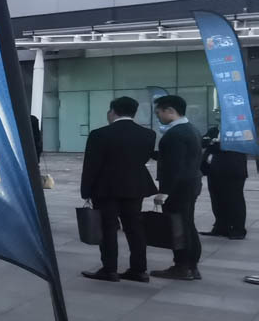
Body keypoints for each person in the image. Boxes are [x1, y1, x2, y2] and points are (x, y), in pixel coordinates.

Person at [79, 96, 157, 282]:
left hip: (106, 188)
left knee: (108, 228)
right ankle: (139, 269)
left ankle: (110, 269)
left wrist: (86, 190)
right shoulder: (148, 134)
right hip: (135, 186)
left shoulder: (100, 134)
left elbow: (91, 165)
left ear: (112, 111)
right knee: (134, 227)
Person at [151, 94, 202, 280]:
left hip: (178, 188)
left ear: (170, 111)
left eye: (159, 112)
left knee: (179, 226)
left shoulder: (176, 134)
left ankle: (182, 266)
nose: (158, 116)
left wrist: (164, 192)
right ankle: (191, 266)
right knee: (187, 225)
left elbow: (175, 166)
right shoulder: (191, 129)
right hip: (190, 183)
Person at [202, 124, 250, 240]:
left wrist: (216, 144)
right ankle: (220, 227)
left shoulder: (242, 129)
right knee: (217, 199)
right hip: (213, 170)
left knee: (235, 200)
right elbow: (203, 142)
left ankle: (238, 229)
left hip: (233, 171)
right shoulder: (213, 130)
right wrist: (213, 143)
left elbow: (245, 144)